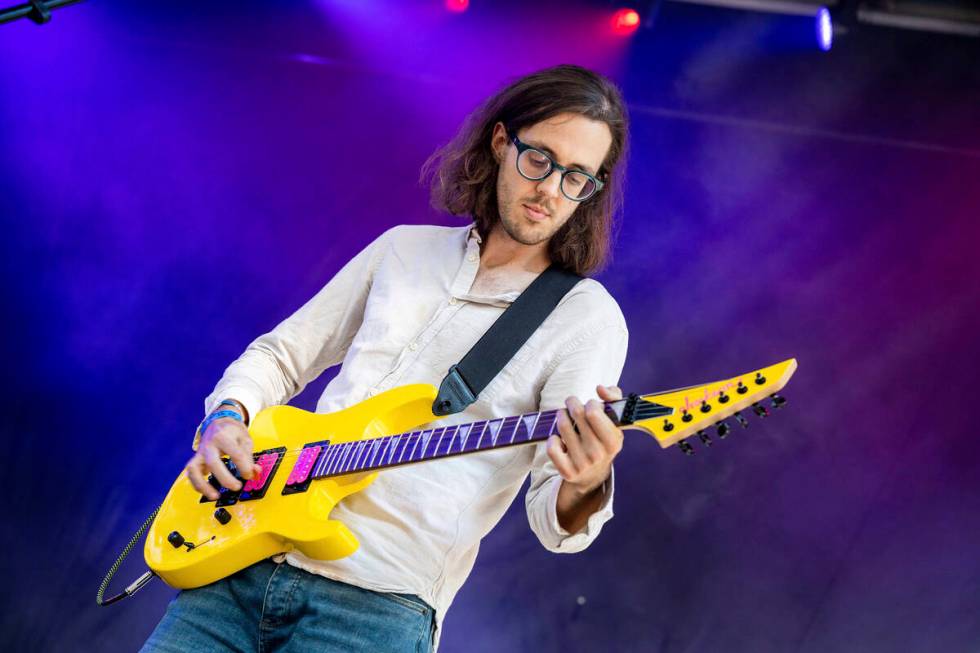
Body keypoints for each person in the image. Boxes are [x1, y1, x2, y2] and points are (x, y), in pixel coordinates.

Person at [142, 63, 631, 652]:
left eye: (578, 177)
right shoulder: (403, 250)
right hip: (239, 560)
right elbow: (279, 356)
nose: (551, 190)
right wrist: (225, 419)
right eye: (540, 160)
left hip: (375, 607)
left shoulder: (584, 318)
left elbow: (557, 523)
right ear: (502, 142)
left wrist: (588, 480)